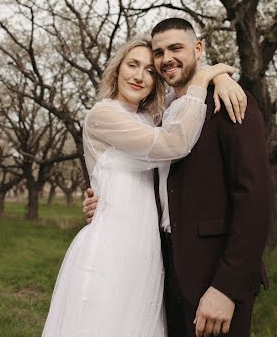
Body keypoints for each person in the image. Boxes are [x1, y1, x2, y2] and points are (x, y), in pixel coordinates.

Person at [42, 34, 239, 337]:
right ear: (117, 69)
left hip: (146, 250)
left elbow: (184, 99)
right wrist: (205, 78)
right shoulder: (102, 114)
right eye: (132, 65)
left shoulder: (151, 118)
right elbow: (175, 142)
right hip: (110, 248)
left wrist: (221, 77)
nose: (139, 76)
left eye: (150, 70)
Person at [84, 18, 271, 337]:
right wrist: (103, 202)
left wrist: (226, 287)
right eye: (159, 52)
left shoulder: (229, 102)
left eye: (175, 48)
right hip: (162, 269)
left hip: (214, 273)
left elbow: (254, 198)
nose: (166, 58)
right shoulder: (162, 115)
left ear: (198, 50)